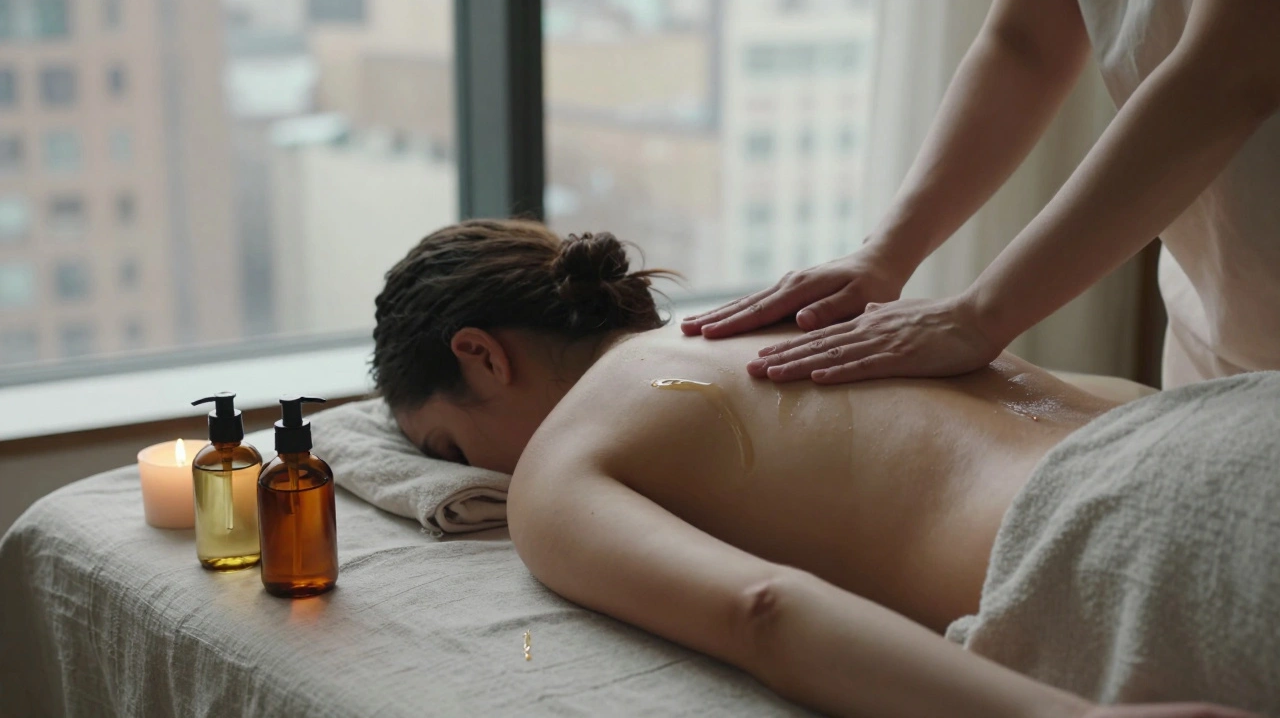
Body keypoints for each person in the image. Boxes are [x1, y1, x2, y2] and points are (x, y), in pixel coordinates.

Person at [370, 220, 1260, 718]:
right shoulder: (791, 311)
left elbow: (764, 611)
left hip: (1131, 539)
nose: (470, 475)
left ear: (482, 355)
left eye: (450, 449)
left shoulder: (560, 466)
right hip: (1231, 421)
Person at [681, 0, 1280, 389]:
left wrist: (982, 314)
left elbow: (1225, 74)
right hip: (1212, 313)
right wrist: (886, 252)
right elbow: (1026, 43)